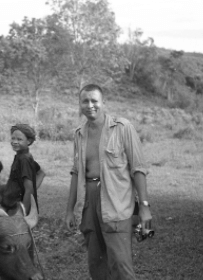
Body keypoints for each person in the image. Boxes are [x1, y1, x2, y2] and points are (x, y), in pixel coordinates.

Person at [65, 84, 153, 280]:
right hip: (88, 203)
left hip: (116, 203)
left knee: (121, 265)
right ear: (80, 104)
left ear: (103, 103)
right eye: (85, 101)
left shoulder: (122, 128)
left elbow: (138, 169)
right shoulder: (79, 133)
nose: (90, 105)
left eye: (94, 101)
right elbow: (76, 172)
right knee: (96, 264)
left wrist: (145, 207)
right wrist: (70, 210)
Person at [0, 124, 41, 215]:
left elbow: (29, 189)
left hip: (17, 208)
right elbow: (41, 172)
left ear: (29, 141)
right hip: (11, 205)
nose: (14, 142)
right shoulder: (21, 156)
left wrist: (22, 212)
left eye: (19, 139)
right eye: (13, 138)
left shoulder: (24, 160)